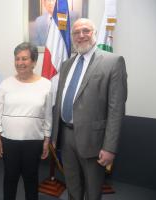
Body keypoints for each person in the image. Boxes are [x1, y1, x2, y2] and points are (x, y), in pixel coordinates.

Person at [51, 18, 128, 200]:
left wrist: (109, 147)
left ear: (94, 33)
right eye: (76, 32)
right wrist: (55, 135)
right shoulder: (67, 64)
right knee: (72, 187)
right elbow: (60, 100)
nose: (81, 36)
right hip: (66, 136)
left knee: (93, 191)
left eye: (86, 30)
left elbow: (116, 109)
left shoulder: (113, 61)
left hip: (94, 141)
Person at [0, 42, 52, 200]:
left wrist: (46, 139)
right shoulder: (5, 84)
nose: (20, 63)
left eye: (24, 59)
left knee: (31, 180)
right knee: (9, 179)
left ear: (34, 62)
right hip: (8, 141)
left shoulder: (46, 85)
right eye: (17, 59)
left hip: (33, 142)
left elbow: (48, 116)